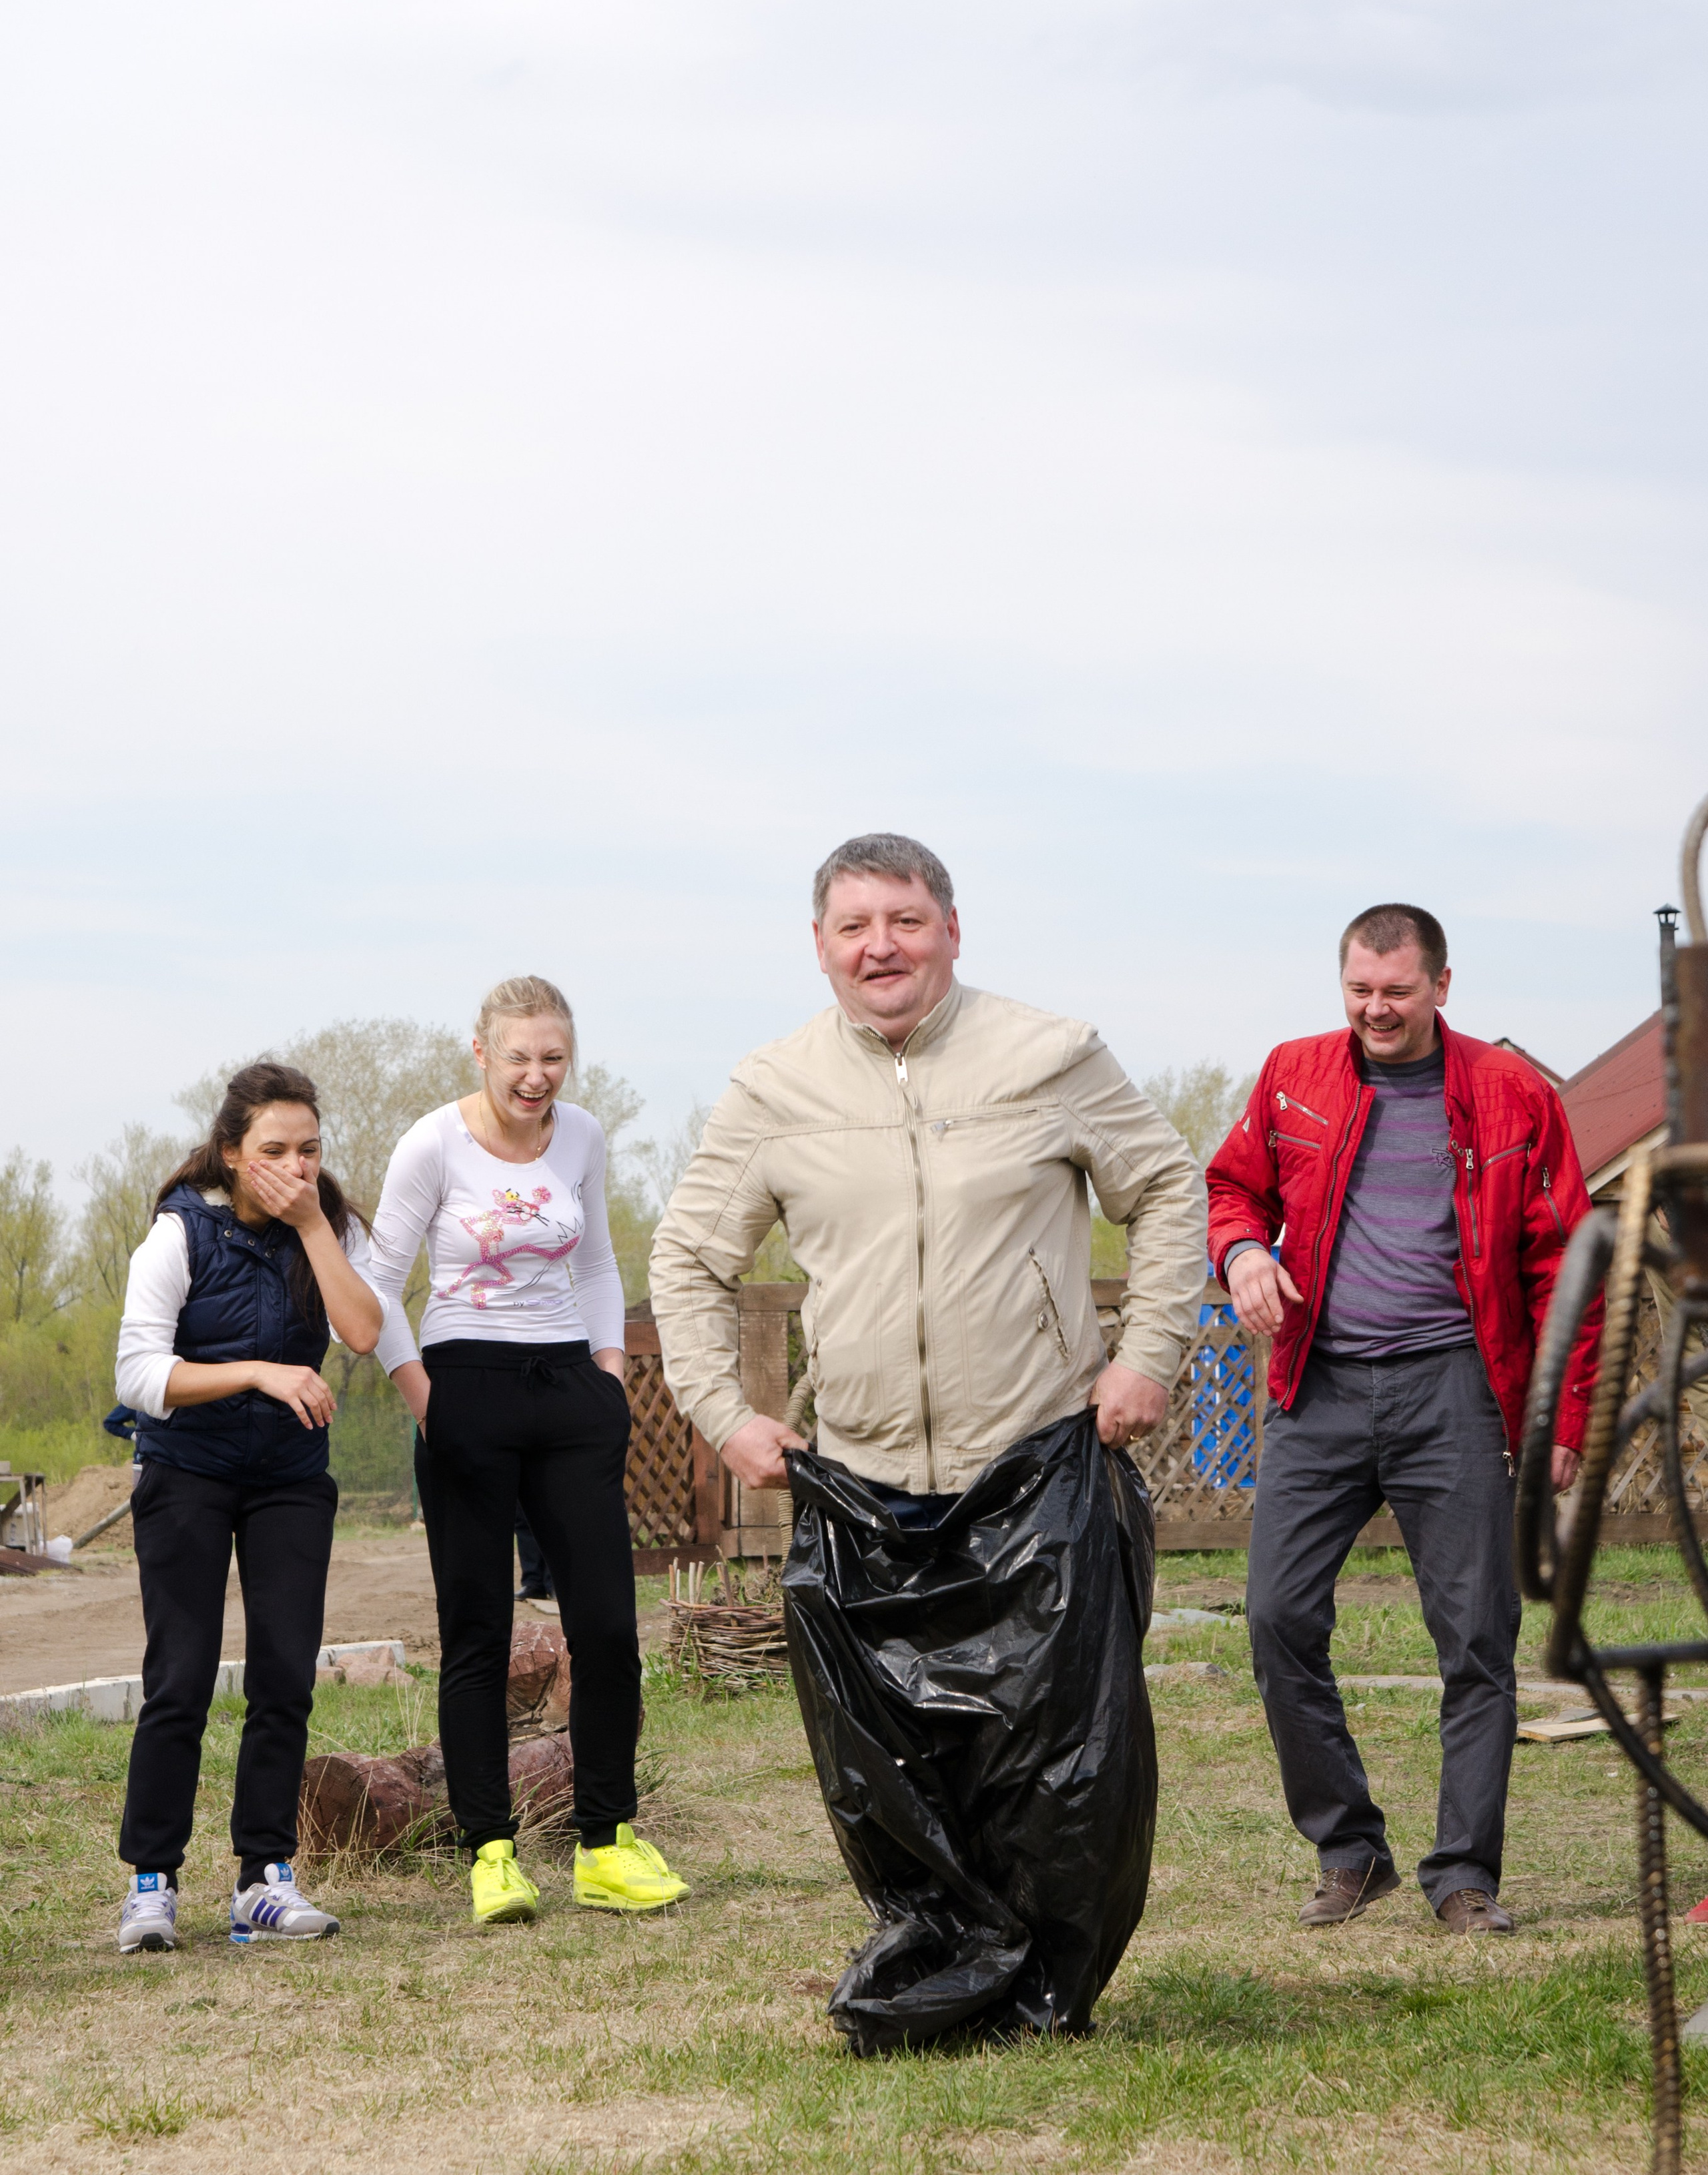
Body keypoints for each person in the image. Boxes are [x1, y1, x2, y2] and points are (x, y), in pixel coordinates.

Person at [649, 834, 1205, 2031]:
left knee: (1056, 1760)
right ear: (820, 945)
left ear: (952, 928)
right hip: (865, 1477)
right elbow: (690, 1259)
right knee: (891, 1758)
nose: (880, 946)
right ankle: (940, 1956)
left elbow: (1166, 1189)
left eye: (903, 920)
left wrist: (1147, 1352)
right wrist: (720, 1408)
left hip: (1036, 1460)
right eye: (854, 926)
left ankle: (1048, 1981)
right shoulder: (772, 1088)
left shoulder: (1050, 1055)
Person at [1207, 903, 1600, 1937]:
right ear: (1342, 984)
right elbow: (1232, 1190)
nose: (1377, 1008)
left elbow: (1568, 1260)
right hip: (1319, 1387)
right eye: (1359, 989)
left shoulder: (1514, 1095)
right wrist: (1244, 1253)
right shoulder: (1295, 1071)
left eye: (1397, 989)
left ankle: (1464, 1872)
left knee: (1477, 1636)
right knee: (1277, 1617)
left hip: (1454, 1391)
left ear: (1441, 985)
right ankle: (1351, 1848)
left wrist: (1564, 1409)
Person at [369, 974, 686, 1925]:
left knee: (609, 1627)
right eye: (520, 1057)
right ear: (482, 1052)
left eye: (554, 1057)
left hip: (569, 1391)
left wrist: (611, 1372)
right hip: (463, 1379)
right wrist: (426, 1397)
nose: (537, 1076)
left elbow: (594, 1260)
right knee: (478, 1633)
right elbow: (378, 1283)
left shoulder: (582, 1135)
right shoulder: (432, 1142)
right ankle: (492, 1853)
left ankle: (605, 1843)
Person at [112, 1060, 383, 1954]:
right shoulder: (180, 1232)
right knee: (180, 1679)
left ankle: (263, 1880)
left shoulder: (326, 1223)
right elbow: (140, 1375)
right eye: (274, 1149)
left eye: (309, 1150)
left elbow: (364, 1329)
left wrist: (311, 1223)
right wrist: (260, 1371)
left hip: (290, 1479)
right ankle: (152, 1883)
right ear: (231, 1152)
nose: (294, 1166)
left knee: (284, 1676)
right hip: (186, 1471)